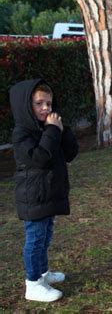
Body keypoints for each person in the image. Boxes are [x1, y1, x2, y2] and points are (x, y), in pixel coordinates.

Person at [10, 79, 79, 302]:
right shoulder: (22, 134)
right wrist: (51, 130)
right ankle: (32, 284)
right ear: (26, 106)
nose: (45, 109)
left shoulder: (47, 128)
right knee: (35, 239)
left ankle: (42, 272)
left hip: (48, 195)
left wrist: (62, 130)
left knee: (46, 236)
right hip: (34, 197)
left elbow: (68, 154)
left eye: (49, 104)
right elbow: (40, 158)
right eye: (39, 103)